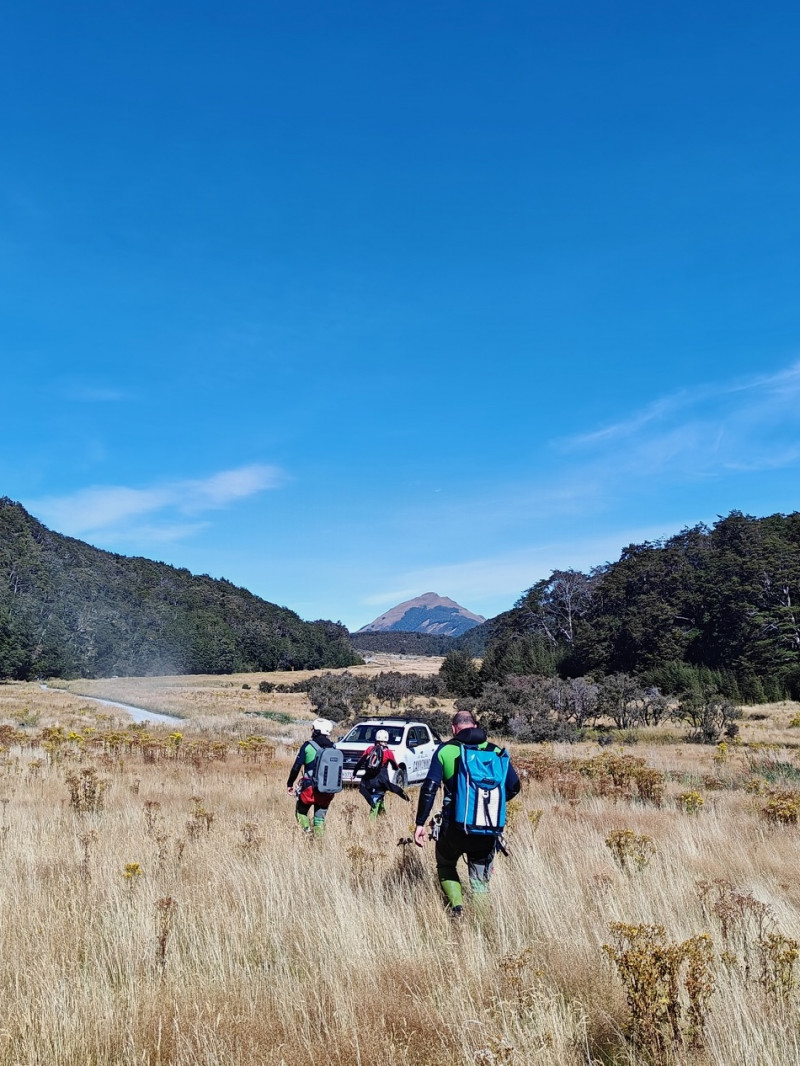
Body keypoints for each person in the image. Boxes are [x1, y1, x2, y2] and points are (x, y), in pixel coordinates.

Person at [413, 710, 521, 916]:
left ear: (454, 729)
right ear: (476, 726)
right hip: (487, 829)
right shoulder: (496, 752)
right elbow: (514, 787)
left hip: (454, 828)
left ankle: (457, 909)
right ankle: (482, 927)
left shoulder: (445, 750)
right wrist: (489, 804)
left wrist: (420, 823)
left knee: (445, 863)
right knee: (480, 881)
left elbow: (429, 787)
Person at [286, 718, 338, 836]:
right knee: (319, 820)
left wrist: (290, 784)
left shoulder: (308, 746)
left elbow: (296, 767)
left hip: (309, 788)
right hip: (327, 789)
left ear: (317, 731)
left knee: (301, 812)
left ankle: (307, 832)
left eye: (313, 728)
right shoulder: (334, 748)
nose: (312, 730)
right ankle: (319, 844)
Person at [352, 728, 410, 818]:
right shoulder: (388, 752)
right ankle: (371, 822)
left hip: (369, 780)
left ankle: (383, 818)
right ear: (386, 740)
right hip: (382, 780)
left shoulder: (370, 749)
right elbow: (395, 766)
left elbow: (360, 762)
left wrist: (354, 773)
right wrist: (395, 767)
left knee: (379, 799)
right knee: (376, 800)